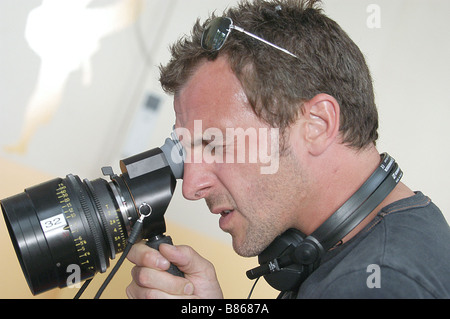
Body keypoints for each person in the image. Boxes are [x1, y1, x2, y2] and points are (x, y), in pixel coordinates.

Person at [125, 0, 450, 299]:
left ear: (317, 125)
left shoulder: (378, 284)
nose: (192, 187)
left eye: (214, 143)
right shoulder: (372, 249)